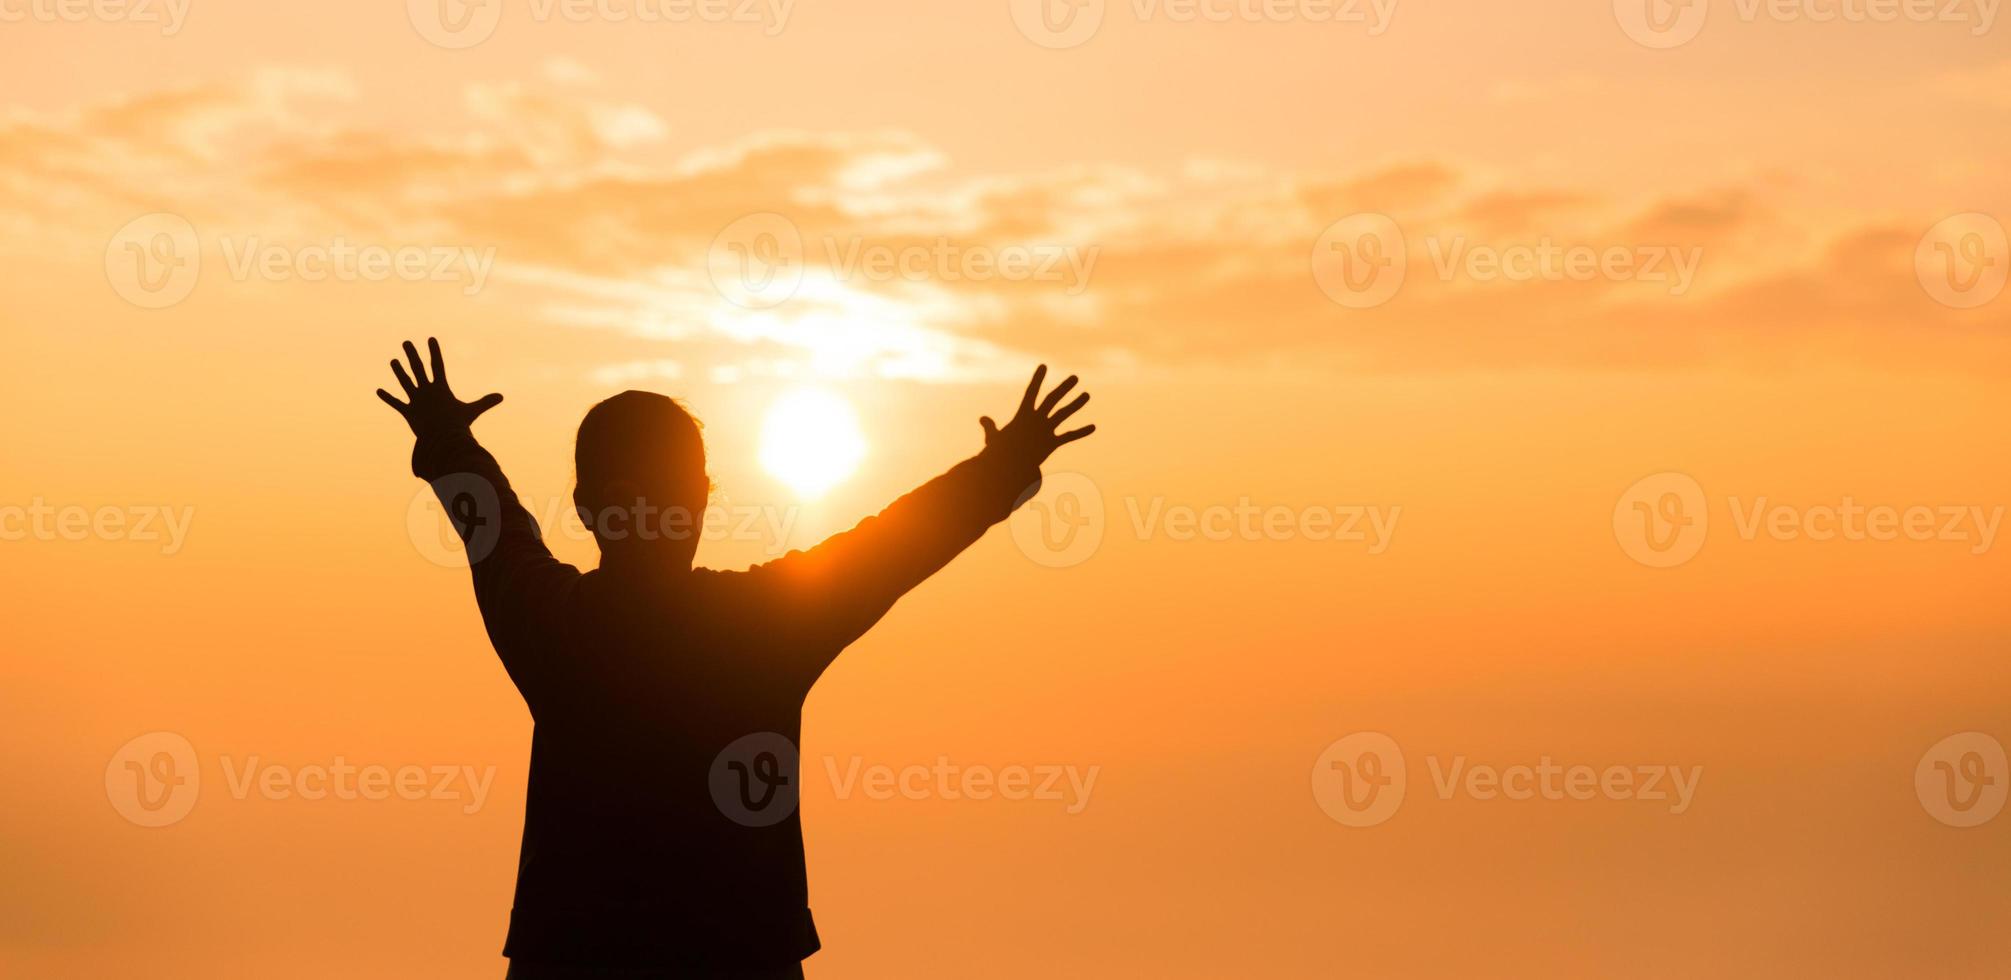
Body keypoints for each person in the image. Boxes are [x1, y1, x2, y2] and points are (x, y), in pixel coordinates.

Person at [376, 339, 1096, 978]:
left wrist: (444, 436)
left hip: (568, 957)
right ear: (704, 500)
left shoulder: (548, 623)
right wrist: (1005, 467)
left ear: (585, 505)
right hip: (744, 958)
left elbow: (493, 525)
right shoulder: (768, 623)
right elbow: (898, 544)